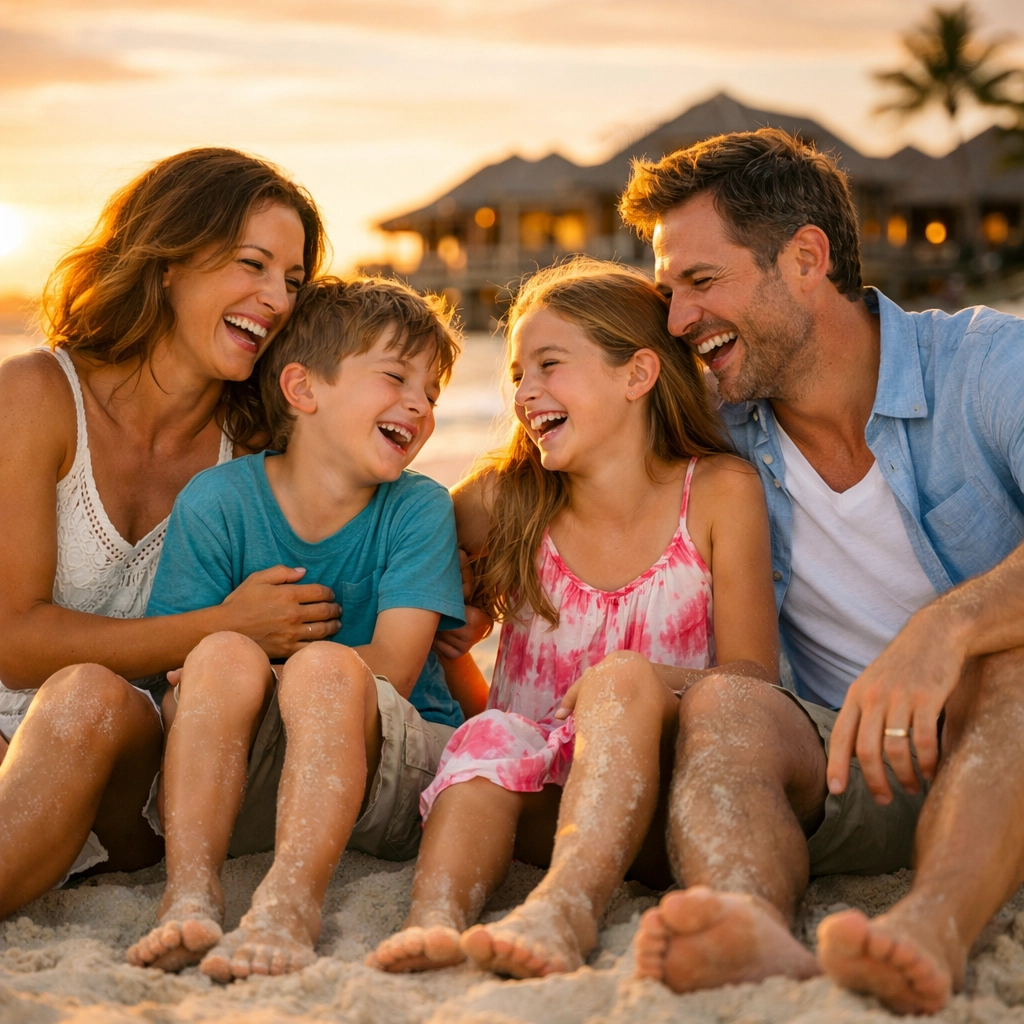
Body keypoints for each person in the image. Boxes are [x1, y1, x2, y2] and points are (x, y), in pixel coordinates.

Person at [617, 128, 1024, 1015]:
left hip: (1011, 749)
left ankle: (931, 928)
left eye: (701, 282)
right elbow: (565, 453)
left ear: (806, 258)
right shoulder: (719, 430)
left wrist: (945, 630)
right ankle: (746, 923)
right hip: (856, 768)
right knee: (728, 704)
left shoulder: (989, 365)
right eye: (668, 291)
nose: (678, 319)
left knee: (1009, 662)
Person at [368, 258, 780, 979]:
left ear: (637, 374)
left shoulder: (717, 492)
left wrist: (647, 681)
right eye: (519, 374)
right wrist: (456, 643)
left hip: (656, 795)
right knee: (489, 738)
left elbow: (752, 679)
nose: (526, 392)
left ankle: (567, 909)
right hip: (528, 802)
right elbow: (394, 549)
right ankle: (432, 917)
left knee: (612, 690)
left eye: (550, 366)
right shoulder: (504, 497)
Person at [0, 148, 340, 919]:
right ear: (167, 264)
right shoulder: (37, 395)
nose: (277, 300)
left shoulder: (256, 450)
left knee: (88, 697)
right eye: (252, 265)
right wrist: (218, 626)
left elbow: (370, 491)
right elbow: (13, 641)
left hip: (132, 765)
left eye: (292, 281)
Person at [126, 276, 468, 982]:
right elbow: (175, 674)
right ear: (304, 390)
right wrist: (232, 662)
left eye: (432, 393)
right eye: (397, 377)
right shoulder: (220, 500)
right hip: (248, 781)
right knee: (220, 648)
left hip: (391, 774)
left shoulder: (417, 509)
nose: (419, 404)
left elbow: (398, 667)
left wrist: (274, 670)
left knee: (315, 667)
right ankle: (189, 888)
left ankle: (291, 900)